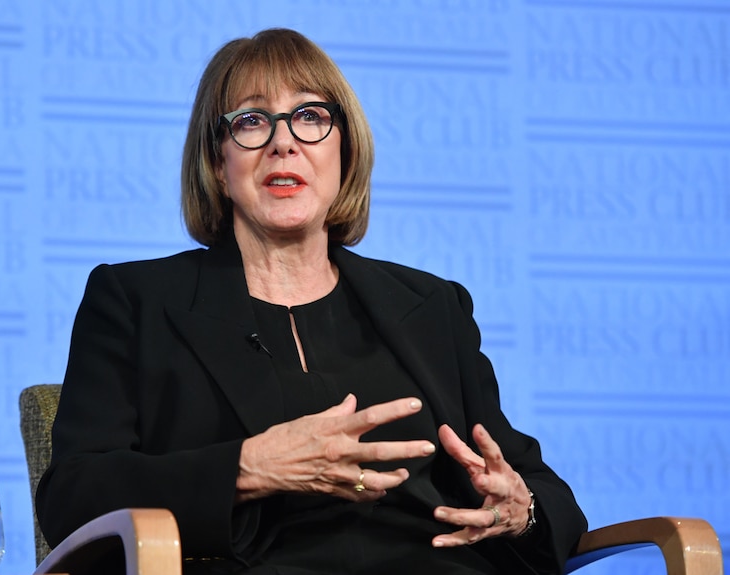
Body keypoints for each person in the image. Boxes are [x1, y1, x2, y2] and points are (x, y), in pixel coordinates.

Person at [36, 28, 587, 575]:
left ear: (343, 151)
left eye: (311, 116)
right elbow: (73, 497)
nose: (284, 141)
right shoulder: (136, 302)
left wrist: (519, 509)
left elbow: (544, 494)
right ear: (218, 163)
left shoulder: (433, 307)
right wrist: (250, 467)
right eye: (251, 120)